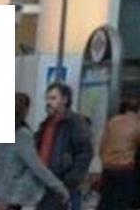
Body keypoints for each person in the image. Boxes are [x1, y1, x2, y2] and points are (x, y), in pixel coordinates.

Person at [0, 92, 70, 210]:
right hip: (7, 202)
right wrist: (59, 187)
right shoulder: (21, 136)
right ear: (25, 111)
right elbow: (37, 167)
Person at [98, 98, 140, 210]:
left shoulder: (113, 121)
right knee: (123, 204)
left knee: (106, 203)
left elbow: (102, 146)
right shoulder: (138, 124)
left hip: (108, 169)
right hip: (125, 169)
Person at [36, 82, 93, 210]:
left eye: (53, 98)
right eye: (47, 98)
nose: (49, 102)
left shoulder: (75, 122)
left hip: (61, 181)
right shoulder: (46, 123)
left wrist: (71, 180)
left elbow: (84, 152)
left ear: (65, 99)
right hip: (45, 181)